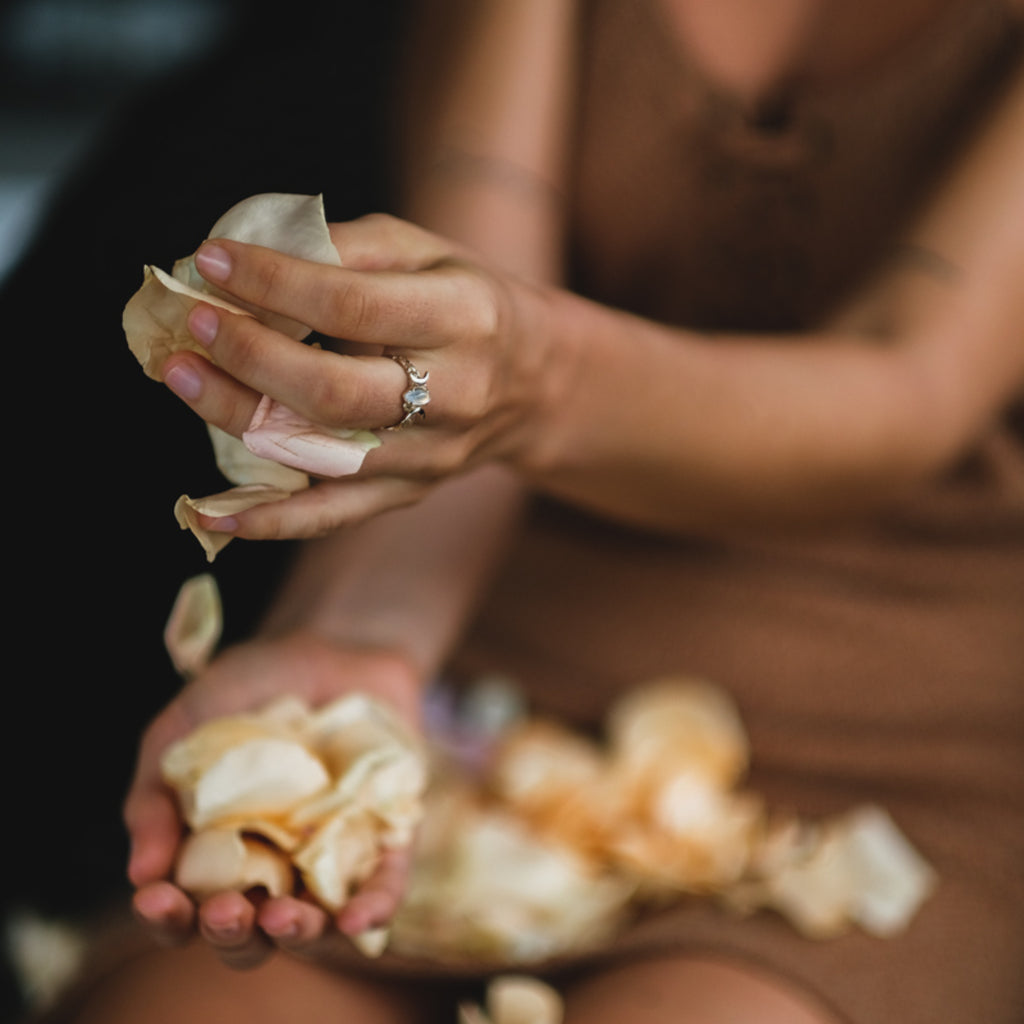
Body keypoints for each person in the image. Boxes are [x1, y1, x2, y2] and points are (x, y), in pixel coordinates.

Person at [31, 1, 1024, 1022]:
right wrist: (357, 644)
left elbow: (909, 385)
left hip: (892, 745)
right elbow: (470, 329)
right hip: (495, 695)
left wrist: (538, 375)